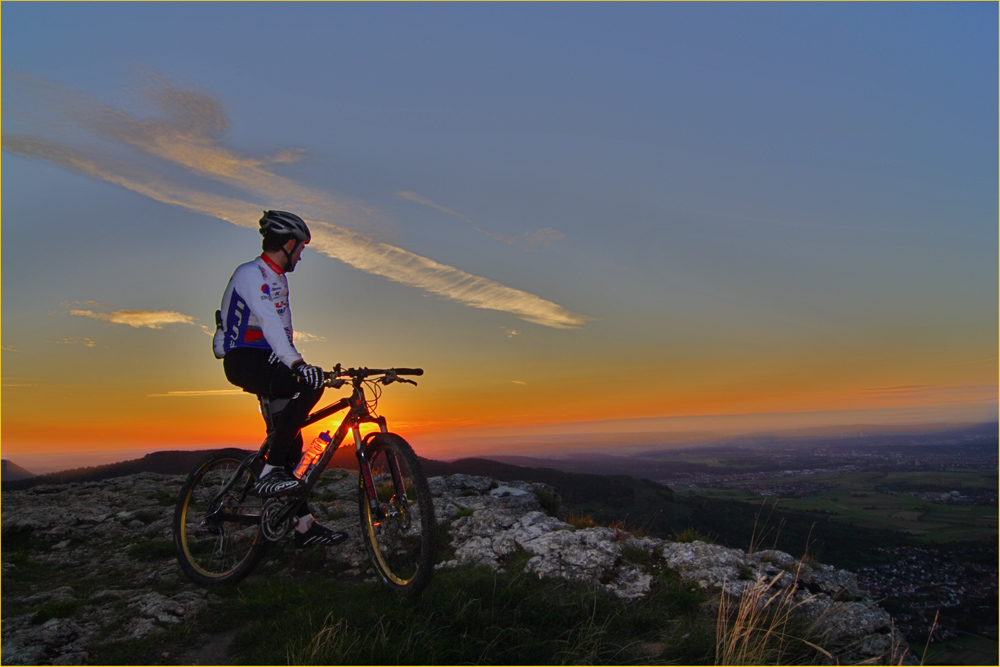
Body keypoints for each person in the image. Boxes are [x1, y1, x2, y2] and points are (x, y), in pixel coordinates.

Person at [212, 210, 346, 548]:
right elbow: (269, 323)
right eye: (301, 248)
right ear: (288, 243)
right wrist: (299, 367)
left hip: (269, 359)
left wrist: (304, 364)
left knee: (291, 441)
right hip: (243, 359)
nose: (301, 254)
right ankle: (271, 470)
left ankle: (302, 525)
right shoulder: (249, 274)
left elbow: (283, 334)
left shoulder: (278, 279)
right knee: (305, 392)